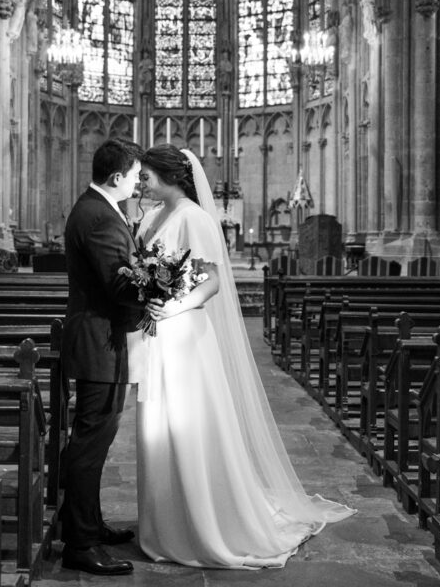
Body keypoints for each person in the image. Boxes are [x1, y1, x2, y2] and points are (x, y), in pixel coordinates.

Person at [128, 144, 354, 568]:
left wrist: (173, 306)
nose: (141, 182)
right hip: (157, 333)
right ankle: (165, 521)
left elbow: (211, 281)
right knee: (159, 429)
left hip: (184, 334)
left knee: (188, 429)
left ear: (170, 176)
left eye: (146, 176)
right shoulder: (155, 216)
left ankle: (203, 524)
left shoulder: (194, 217)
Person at [60, 137, 145, 576]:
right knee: (90, 445)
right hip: (100, 342)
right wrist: (154, 296)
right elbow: (122, 287)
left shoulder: (96, 209)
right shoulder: (99, 218)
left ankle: (86, 522)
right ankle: (80, 542)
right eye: (134, 175)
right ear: (117, 177)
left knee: (93, 441)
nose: (138, 182)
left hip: (98, 339)